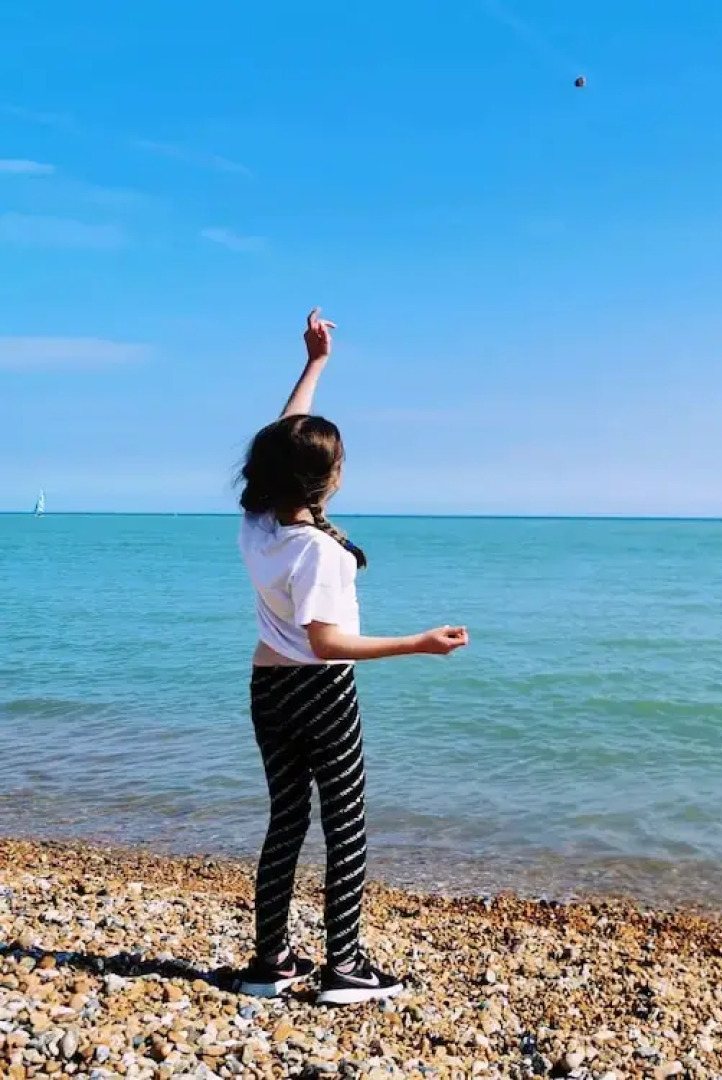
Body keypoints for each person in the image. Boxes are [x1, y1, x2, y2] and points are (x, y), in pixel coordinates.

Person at [232, 309, 469, 1005]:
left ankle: (268, 963)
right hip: (319, 691)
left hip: (266, 688)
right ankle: (344, 968)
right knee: (346, 822)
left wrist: (314, 365)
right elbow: (326, 644)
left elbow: (279, 444)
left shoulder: (259, 527)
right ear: (327, 482)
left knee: (286, 820)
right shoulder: (318, 552)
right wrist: (418, 644)